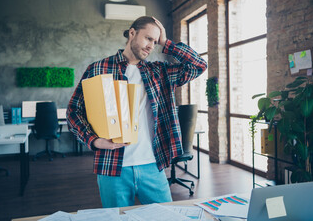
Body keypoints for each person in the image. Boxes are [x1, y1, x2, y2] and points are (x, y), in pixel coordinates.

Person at [66, 16, 207, 208]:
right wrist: (93, 140)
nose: (151, 46)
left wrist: (167, 43)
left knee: (165, 216)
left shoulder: (159, 72)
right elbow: (74, 111)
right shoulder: (98, 68)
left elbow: (198, 65)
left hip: (152, 164)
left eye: (155, 42)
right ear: (132, 33)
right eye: (148, 38)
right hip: (112, 166)